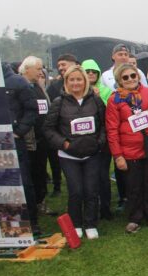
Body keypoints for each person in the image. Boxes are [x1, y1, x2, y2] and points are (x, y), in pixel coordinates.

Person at [43, 65, 106, 239]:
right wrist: (64, 144)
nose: (76, 83)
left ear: (85, 81)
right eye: (72, 80)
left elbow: (104, 125)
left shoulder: (95, 101)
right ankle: (76, 224)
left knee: (91, 190)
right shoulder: (59, 102)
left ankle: (91, 224)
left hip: (92, 154)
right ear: (66, 82)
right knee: (76, 190)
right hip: (68, 155)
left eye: (79, 79)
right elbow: (48, 129)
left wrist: (99, 143)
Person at [107, 63, 148, 233]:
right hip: (128, 149)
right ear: (119, 80)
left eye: (133, 75)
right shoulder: (114, 99)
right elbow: (112, 129)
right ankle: (135, 217)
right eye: (125, 77)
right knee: (133, 185)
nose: (130, 79)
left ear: (138, 76)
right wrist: (117, 155)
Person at [2, 62, 40, 236]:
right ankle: (4, 223)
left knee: (23, 182)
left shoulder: (17, 81)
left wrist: (19, 131)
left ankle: (32, 221)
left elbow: (32, 109)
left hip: (14, 141)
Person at [82, 58, 121, 219]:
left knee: (103, 175)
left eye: (94, 71)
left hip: (103, 139)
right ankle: (90, 208)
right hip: (84, 141)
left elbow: (110, 113)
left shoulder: (105, 91)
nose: (91, 74)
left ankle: (105, 208)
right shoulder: (77, 91)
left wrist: (98, 98)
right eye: (88, 71)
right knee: (87, 176)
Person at [19, 56, 51, 215]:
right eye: (38, 69)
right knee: (30, 172)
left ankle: (41, 201)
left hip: (42, 137)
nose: (41, 72)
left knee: (40, 170)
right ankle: (31, 204)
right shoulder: (20, 87)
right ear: (27, 69)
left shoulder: (39, 86)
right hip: (28, 139)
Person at [45, 53, 78, 198]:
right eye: (59, 66)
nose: (60, 68)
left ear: (73, 64)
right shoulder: (55, 86)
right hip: (60, 131)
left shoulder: (83, 81)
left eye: (63, 64)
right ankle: (57, 185)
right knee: (55, 159)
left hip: (81, 133)